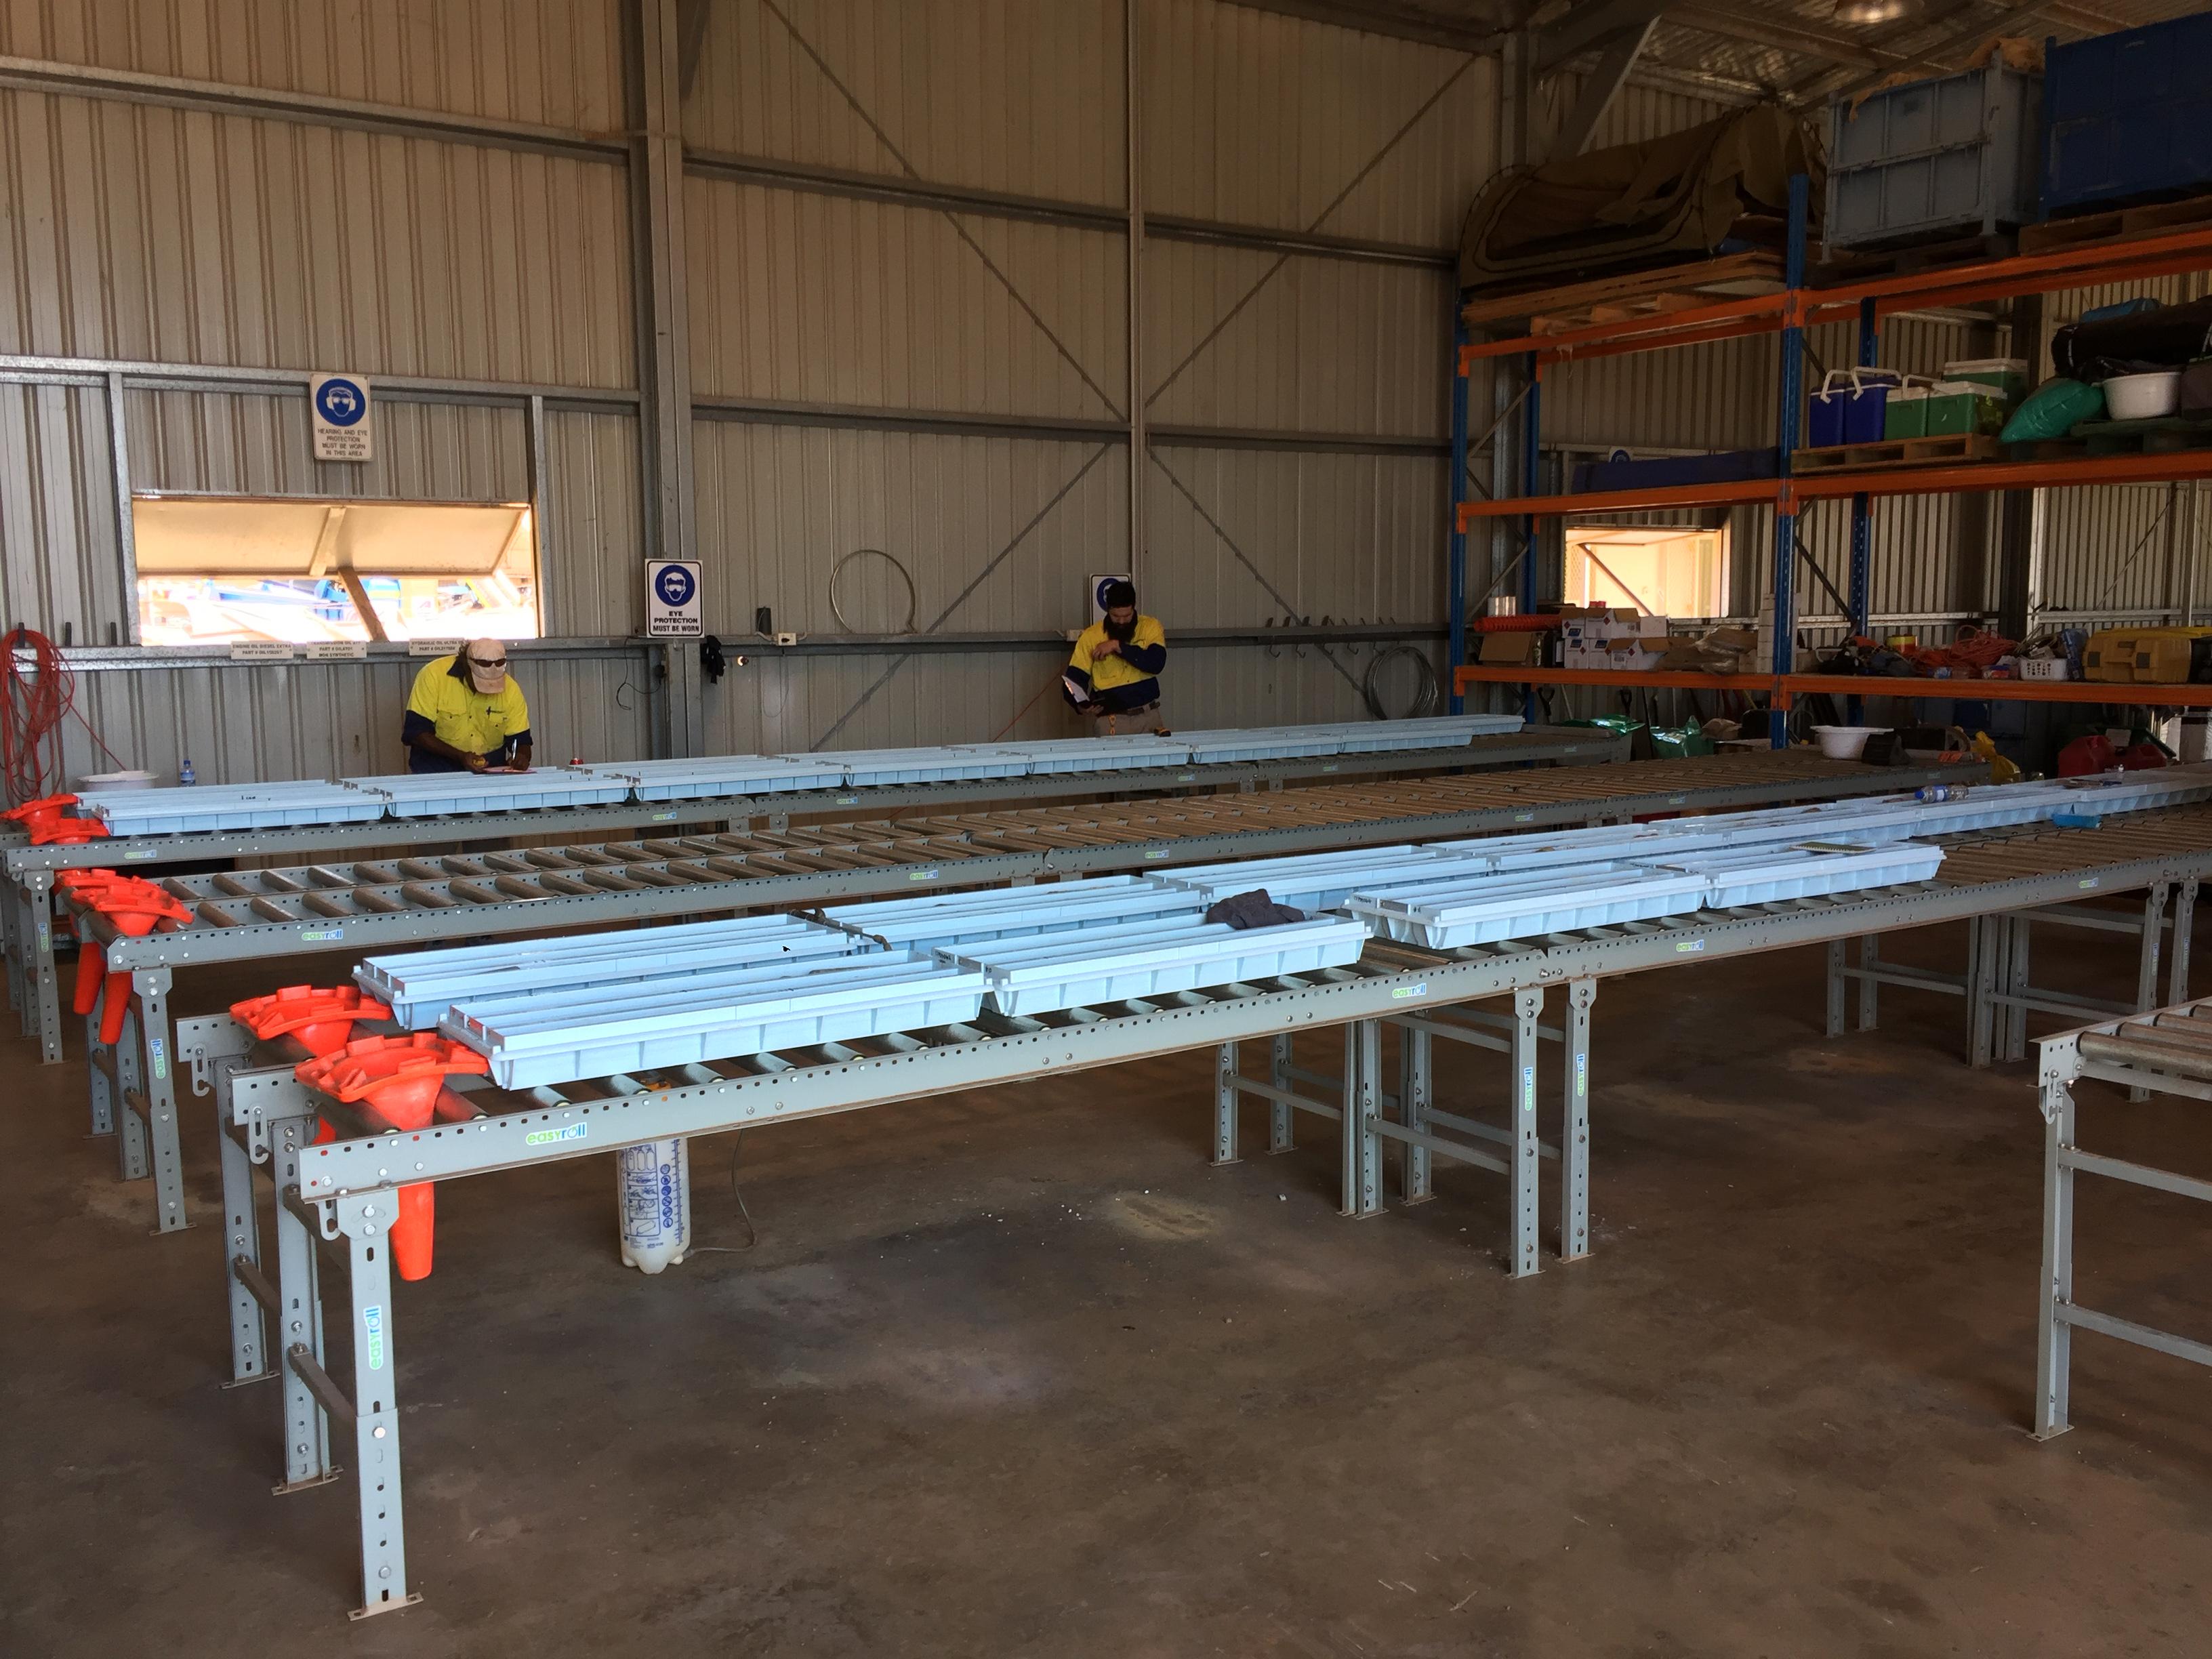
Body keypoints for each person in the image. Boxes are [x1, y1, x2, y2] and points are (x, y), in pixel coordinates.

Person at [401, 638, 533, 773]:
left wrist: (522, 757)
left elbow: (521, 740)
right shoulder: (433, 676)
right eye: (481, 682)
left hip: (489, 774)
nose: (487, 689)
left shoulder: (511, 689)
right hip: (436, 773)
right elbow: (416, 733)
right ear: (465, 667)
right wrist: (460, 756)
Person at [1063, 580, 1167, 735]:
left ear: (1134, 607)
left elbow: (1156, 663)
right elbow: (1074, 679)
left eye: (1127, 616)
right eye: (1116, 616)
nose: (1122, 621)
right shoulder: (1091, 636)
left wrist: (1117, 646)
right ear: (1107, 609)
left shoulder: (1150, 627)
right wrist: (1079, 704)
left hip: (1149, 717)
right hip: (1111, 721)